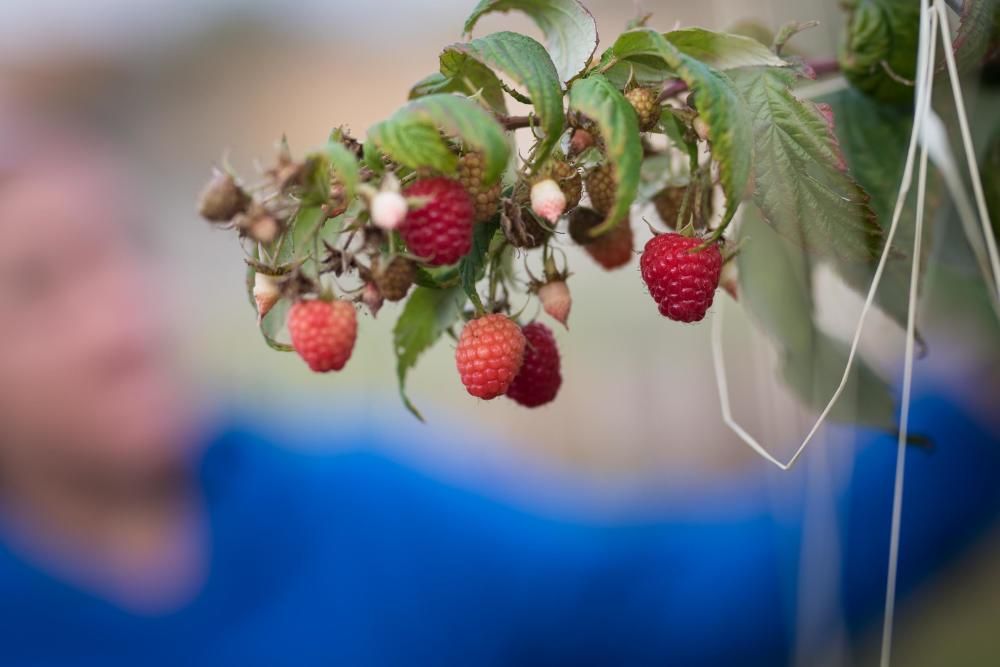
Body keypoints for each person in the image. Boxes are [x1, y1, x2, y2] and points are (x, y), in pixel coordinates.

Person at [0, 111, 998, 667]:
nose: (119, 322)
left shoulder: (356, 513)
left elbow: (689, 596)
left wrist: (975, 414)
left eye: (117, 253)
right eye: (36, 288)